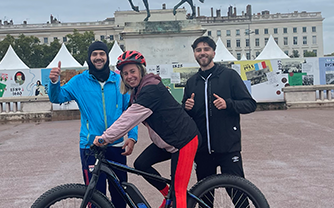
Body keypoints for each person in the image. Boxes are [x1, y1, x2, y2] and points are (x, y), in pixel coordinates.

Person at [94, 50, 200, 208]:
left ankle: (174, 198)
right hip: (168, 141)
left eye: (132, 71)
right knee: (141, 164)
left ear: (141, 70)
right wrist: (131, 138)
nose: (129, 76)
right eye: (125, 74)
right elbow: (130, 117)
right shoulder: (137, 92)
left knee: (179, 192)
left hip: (183, 141)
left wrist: (104, 138)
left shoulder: (151, 89)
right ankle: (167, 194)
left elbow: (129, 118)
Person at [48, 41, 138, 208]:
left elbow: (131, 112)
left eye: (101, 54)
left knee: (120, 193)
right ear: (89, 58)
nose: (98, 57)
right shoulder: (78, 82)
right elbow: (57, 98)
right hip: (91, 147)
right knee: (95, 195)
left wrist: (132, 137)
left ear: (107, 56)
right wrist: (54, 83)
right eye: (94, 54)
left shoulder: (119, 80)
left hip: (116, 145)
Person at [182, 36, 257, 206]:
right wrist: (186, 107)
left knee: (238, 196)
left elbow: (250, 104)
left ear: (213, 52)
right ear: (194, 54)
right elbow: (184, 114)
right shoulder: (192, 82)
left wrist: (228, 104)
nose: (202, 53)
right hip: (202, 151)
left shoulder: (229, 76)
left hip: (228, 149)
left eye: (206, 49)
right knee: (205, 199)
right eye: (198, 50)